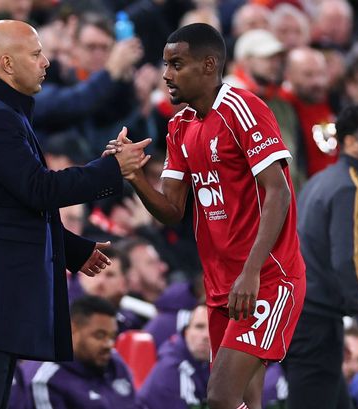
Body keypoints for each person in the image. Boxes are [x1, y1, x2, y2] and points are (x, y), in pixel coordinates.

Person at [0, 19, 151, 409]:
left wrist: (71, 249)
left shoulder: (1, 110)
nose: (47, 62)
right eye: (36, 54)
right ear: (7, 63)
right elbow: (38, 189)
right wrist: (111, 170)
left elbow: (12, 203)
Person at [106, 23, 306, 409]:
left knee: (220, 396)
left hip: (266, 277)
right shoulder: (179, 128)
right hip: (221, 287)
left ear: (209, 64)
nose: (166, 75)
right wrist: (133, 176)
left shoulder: (242, 109)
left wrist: (251, 271)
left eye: (177, 64)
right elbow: (171, 210)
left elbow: (278, 192)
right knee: (245, 400)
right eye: (165, 65)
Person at [284, 105, 358, 409]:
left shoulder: (322, 179)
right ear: (352, 143)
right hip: (315, 322)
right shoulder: (351, 187)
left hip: (302, 314)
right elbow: (348, 261)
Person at [23, 295, 136, 409]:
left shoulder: (115, 363)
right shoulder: (46, 379)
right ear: (73, 329)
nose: (109, 345)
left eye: (112, 337)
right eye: (100, 335)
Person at [138, 304, 211, 409]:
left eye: (213, 328)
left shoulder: (207, 364)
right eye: (199, 327)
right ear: (186, 332)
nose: (206, 335)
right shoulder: (173, 368)